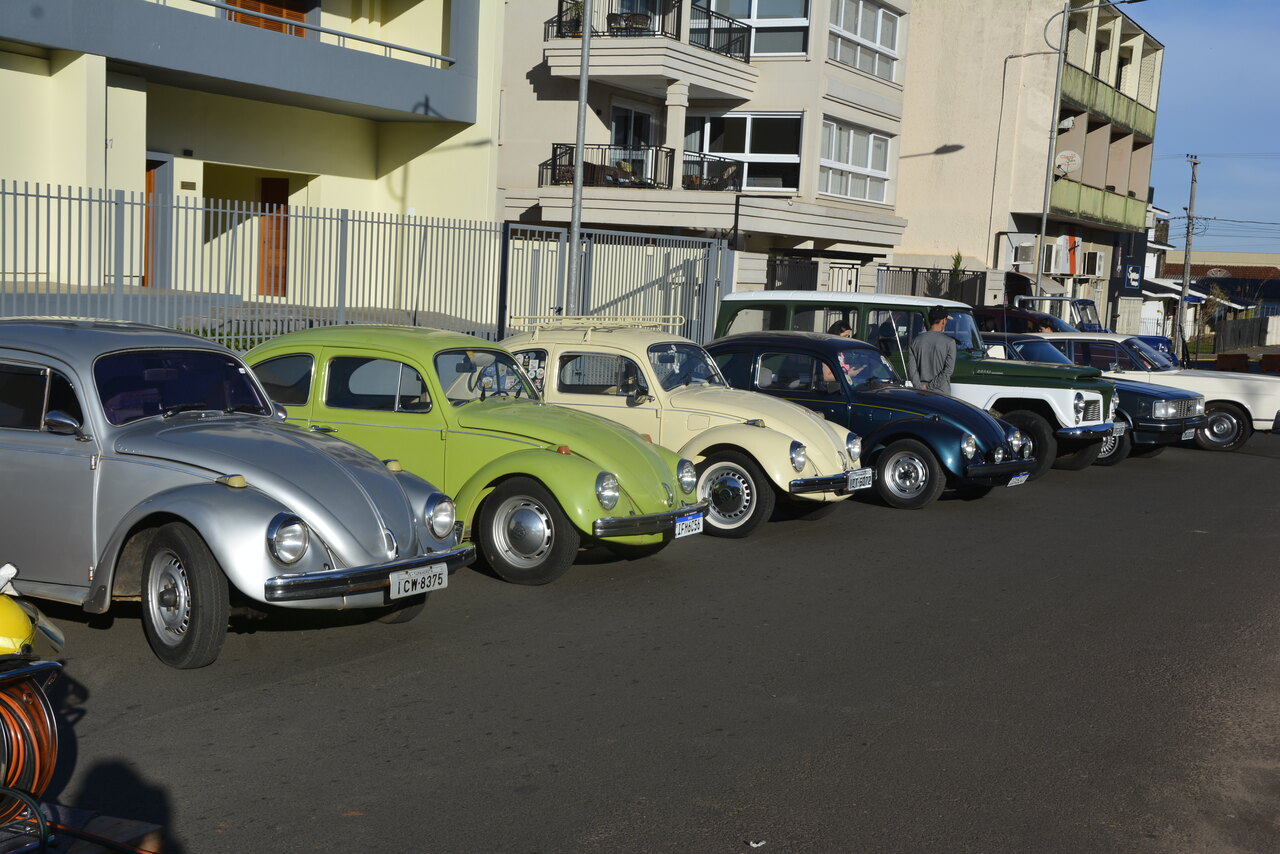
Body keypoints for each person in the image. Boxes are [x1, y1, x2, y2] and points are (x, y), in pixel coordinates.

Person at [908, 305, 956, 395]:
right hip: (941, 393)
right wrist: (930, 386)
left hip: (920, 393)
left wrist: (919, 387)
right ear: (943, 321)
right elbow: (948, 370)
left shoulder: (915, 341)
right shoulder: (950, 342)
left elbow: (912, 370)